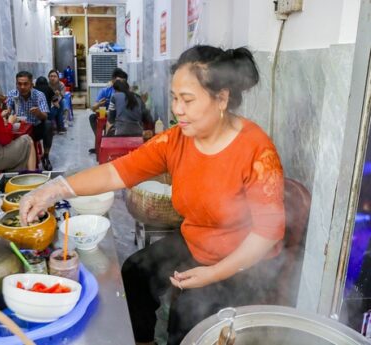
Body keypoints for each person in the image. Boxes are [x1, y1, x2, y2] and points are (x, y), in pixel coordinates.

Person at [18, 45, 285, 344]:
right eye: (174, 98)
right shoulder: (176, 140)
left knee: (185, 318)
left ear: (221, 98)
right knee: (134, 275)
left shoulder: (256, 150)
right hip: (196, 241)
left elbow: (267, 233)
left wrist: (211, 274)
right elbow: (115, 172)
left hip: (243, 262)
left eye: (187, 100)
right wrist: (54, 189)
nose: (177, 109)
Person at [7, 71, 54, 171]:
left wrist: (39, 113)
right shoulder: (12, 94)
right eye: (19, 84)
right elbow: (8, 111)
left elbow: (45, 116)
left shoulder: (39, 95)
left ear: (31, 85)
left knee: (48, 124)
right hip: (18, 130)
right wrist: (7, 111)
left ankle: (46, 156)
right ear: (16, 84)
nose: (22, 87)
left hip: (35, 128)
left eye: (25, 84)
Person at [88, 67, 128, 153]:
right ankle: (100, 141)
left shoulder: (127, 92)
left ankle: (113, 144)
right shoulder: (105, 91)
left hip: (120, 117)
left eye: (122, 81)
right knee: (92, 117)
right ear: (113, 80)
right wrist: (99, 104)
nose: (120, 83)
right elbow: (93, 108)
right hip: (106, 115)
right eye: (118, 81)